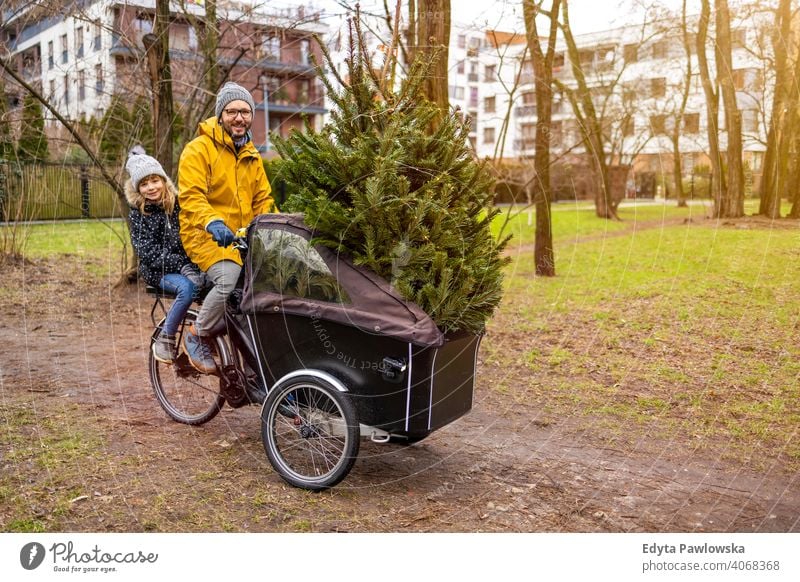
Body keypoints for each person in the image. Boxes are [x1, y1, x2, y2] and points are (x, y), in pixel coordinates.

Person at [178, 81, 277, 373]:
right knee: (229, 276)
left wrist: (274, 227)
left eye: (245, 112)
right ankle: (198, 333)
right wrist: (212, 221)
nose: (239, 117)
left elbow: (264, 199)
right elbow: (191, 196)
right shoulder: (198, 150)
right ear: (221, 114)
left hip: (241, 238)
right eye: (232, 111)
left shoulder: (251, 154)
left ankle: (256, 364)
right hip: (203, 234)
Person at [125, 150, 206, 364]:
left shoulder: (177, 204)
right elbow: (148, 253)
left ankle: (203, 336)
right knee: (186, 289)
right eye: (144, 184)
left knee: (217, 285)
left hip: (186, 265)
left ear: (163, 180)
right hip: (158, 271)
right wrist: (182, 266)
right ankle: (166, 337)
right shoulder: (139, 213)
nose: (151, 187)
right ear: (138, 189)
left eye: (154, 180)